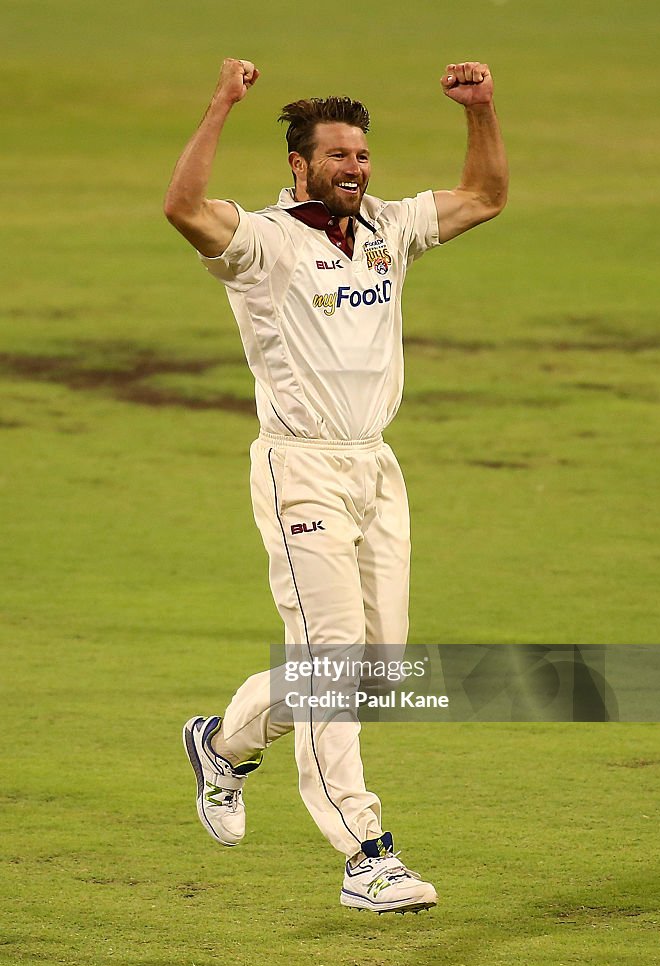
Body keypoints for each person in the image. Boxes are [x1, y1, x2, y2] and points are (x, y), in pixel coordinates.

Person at [164, 57, 508, 914]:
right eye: (338, 156)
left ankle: (222, 742)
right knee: (330, 664)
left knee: (375, 670)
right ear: (299, 165)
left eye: (362, 155)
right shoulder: (263, 243)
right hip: (301, 468)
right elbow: (182, 208)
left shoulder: (390, 228)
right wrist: (219, 105)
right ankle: (365, 853)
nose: (356, 168)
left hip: (374, 466)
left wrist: (482, 110)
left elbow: (486, 195)